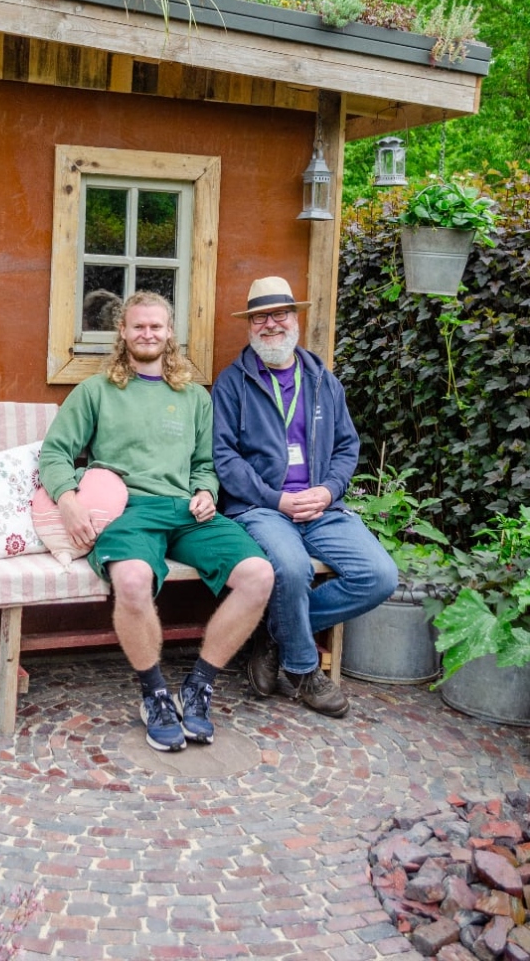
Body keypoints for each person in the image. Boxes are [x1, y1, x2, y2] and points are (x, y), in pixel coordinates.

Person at [39, 290, 274, 753]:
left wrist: (205, 492)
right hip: (127, 511)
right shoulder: (96, 391)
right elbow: (54, 453)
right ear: (122, 332)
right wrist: (68, 500)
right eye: (138, 326)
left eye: (156, 326)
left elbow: (205, 464)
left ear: (170, 334)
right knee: (131, 582)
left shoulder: (194, 396)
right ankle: (155, 695)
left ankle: (199, 685)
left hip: (185, 512)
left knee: (259, 575)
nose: (147, 334)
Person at [212, 276, 398, 718]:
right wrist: (275, 499)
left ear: (295, 319)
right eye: (260, 317)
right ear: (249, 326)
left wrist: (328, 490)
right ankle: (304, 670)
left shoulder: (322, 381)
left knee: (380, 576)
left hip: (321, 507)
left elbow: (347, 447)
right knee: (292, 569)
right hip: (262, 508)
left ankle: (274, 632)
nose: (270, 324)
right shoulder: (232, 384)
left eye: (279, 314)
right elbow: (224, 457)